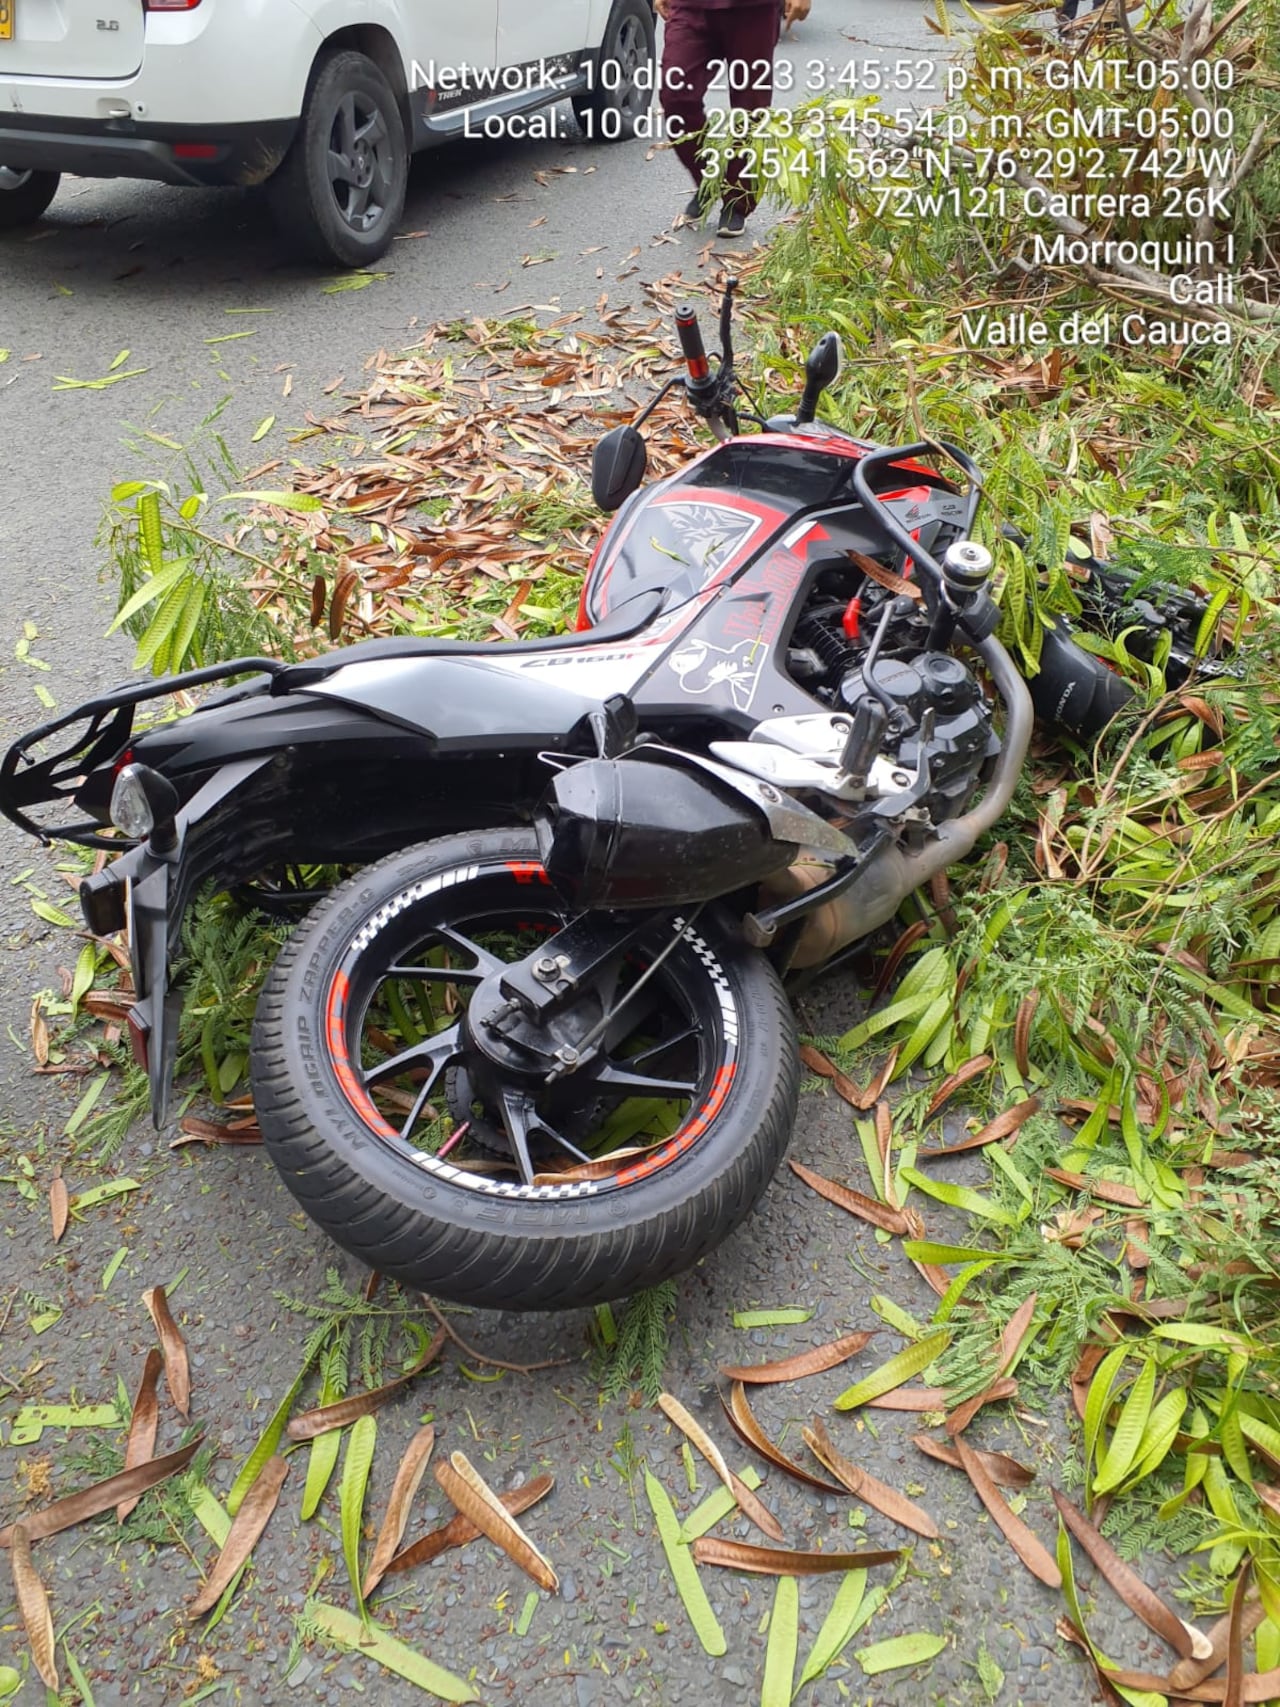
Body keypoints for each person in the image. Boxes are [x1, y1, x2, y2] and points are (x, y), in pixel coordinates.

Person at [656, 0, 812, 240]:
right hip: (690, 6)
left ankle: (737, 199)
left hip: (753, 9)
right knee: (675, 95)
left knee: (750, 108)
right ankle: (710, 179)